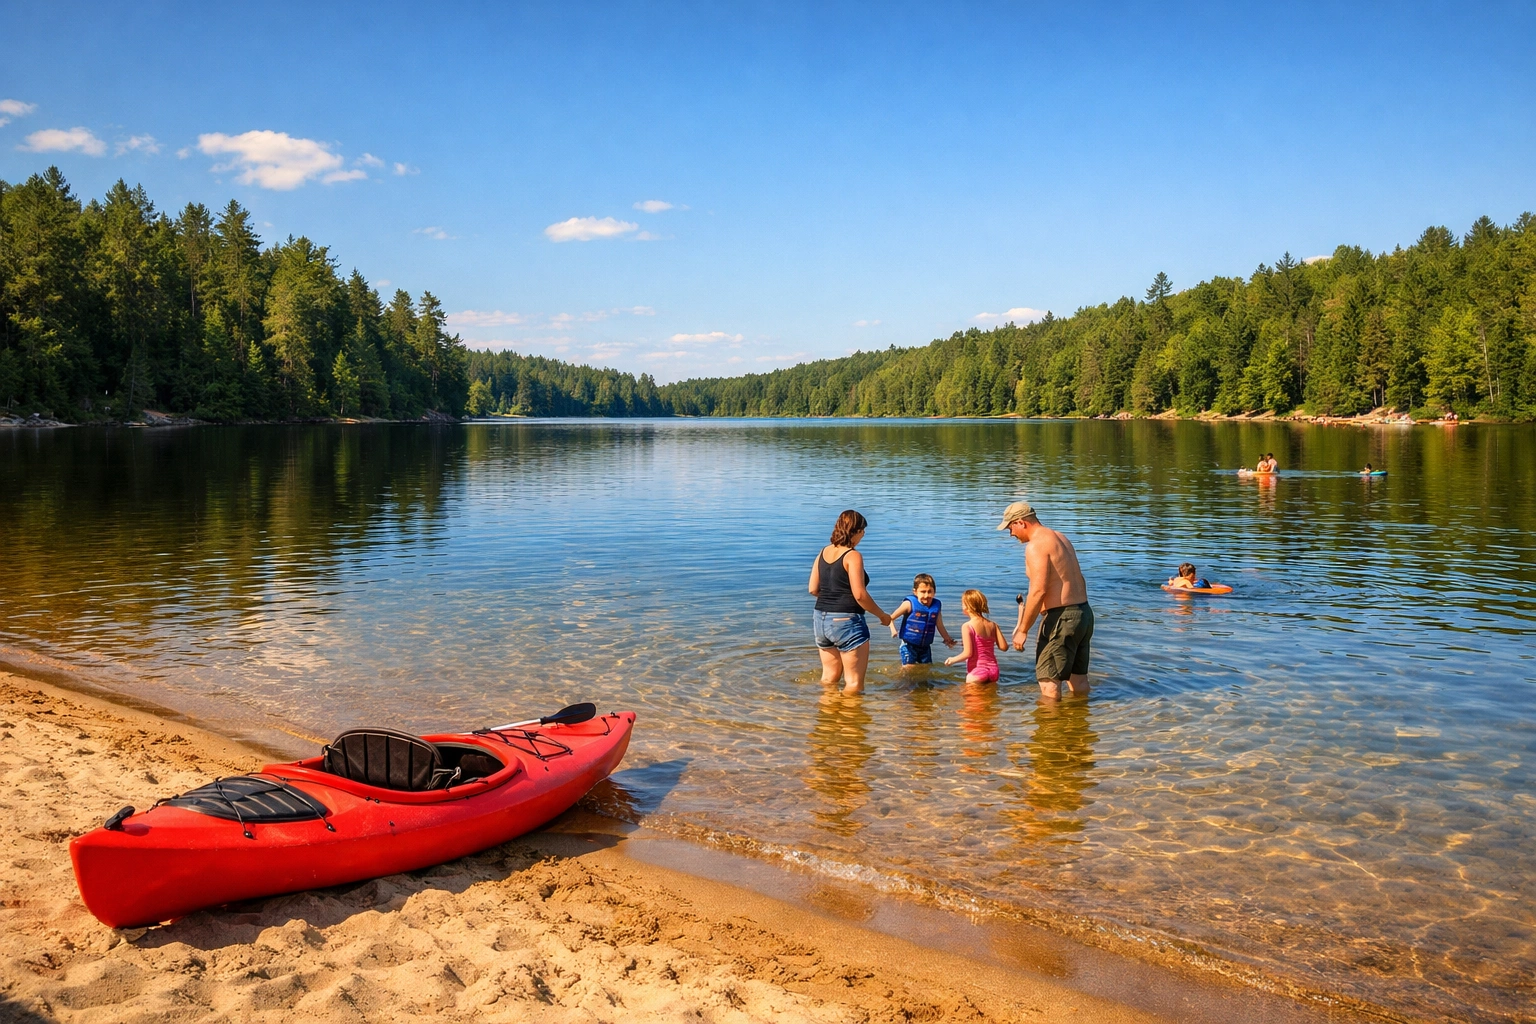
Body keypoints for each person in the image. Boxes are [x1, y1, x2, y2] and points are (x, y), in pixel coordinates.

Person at [999, 500, 1093, 701]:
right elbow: (1080, 579)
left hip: (1062, 617)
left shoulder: (1036, 546)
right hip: (1083, 613)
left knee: (1048, 682)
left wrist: (1023, 630)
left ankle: (1050, 729)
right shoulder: (1060, 538)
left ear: (1021, 522)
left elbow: (1038, 590)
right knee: (1079, 681)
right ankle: (1080, 724)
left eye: (1010, 527)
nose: (1011, 534)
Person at [808, 509, 891, 693]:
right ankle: (850, 721)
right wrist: (882, 615)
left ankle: (827, 718)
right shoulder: (853, 556)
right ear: (856, 531)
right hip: (846, 622)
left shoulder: (823, 552)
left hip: (820, 619)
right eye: (863, 532)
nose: (863, 536)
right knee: (853, 683)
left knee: (829, 678)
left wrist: (832, 600)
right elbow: (860, 595)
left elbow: (813, 588)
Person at [888, 573, 956, 667]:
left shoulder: (936, 606)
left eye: (929, 591)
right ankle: (902, 681)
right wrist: (893, 629)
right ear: (915, 592)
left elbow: (939, 625)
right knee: (909, 669)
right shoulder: (909, 604)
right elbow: (890, 618)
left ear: (934, 592)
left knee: (926, 669)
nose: (926, 595)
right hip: (908, 645)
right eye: (923, 592)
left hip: (925, 647)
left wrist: (947, 639)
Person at [944, 589, 1008, 684]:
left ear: (967, 606)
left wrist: (952, 660)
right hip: (994, 671)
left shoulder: (967, 626)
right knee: (990, 698)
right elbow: (1004, 647)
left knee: (969, 698)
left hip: (977, 672)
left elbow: (968, 653)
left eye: (962, 603)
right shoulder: (993, 625)